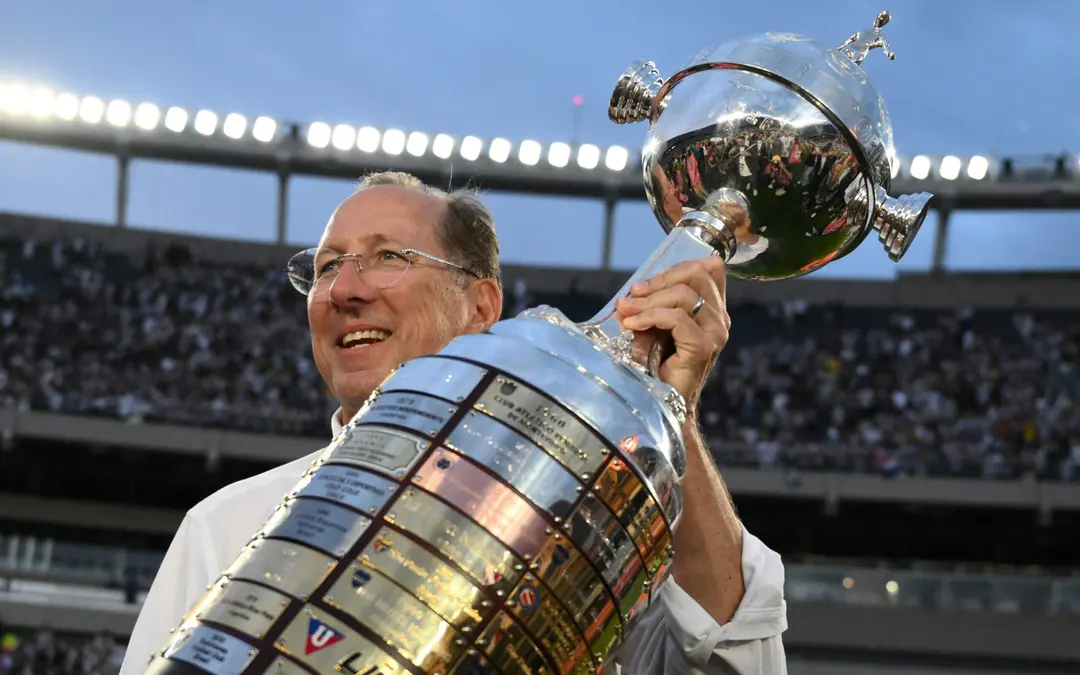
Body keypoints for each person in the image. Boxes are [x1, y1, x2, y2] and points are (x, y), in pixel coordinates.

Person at [119, 171, 788, 675]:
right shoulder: (224, 526)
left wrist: (673, 412)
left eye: (388, 257)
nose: (345, 290)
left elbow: (743, 659)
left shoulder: (585, 532)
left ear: (480, 307)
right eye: (326, 267)